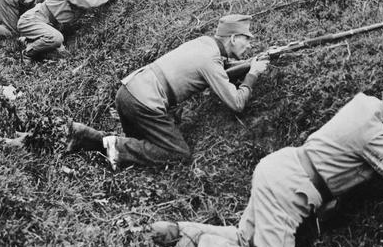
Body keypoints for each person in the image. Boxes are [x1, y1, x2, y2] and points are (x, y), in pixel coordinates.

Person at [149, 72, 383, 247]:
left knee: (246, 238)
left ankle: (180, 230)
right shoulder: (372, 133)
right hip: (291, 189)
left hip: (281, 169)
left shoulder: (367, 105)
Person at [65, 14, 270, 169]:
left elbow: (220, 72)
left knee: (142, 146)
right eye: (246, 39)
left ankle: (90, 137)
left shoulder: (204, 43)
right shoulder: (210, 60)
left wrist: (247, 63)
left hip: (127, 93)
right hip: (143, 104)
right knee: (178, 153)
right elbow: (237, 103)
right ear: (233, 38)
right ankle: (106, 142)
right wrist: (253, 74)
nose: (249, 44)